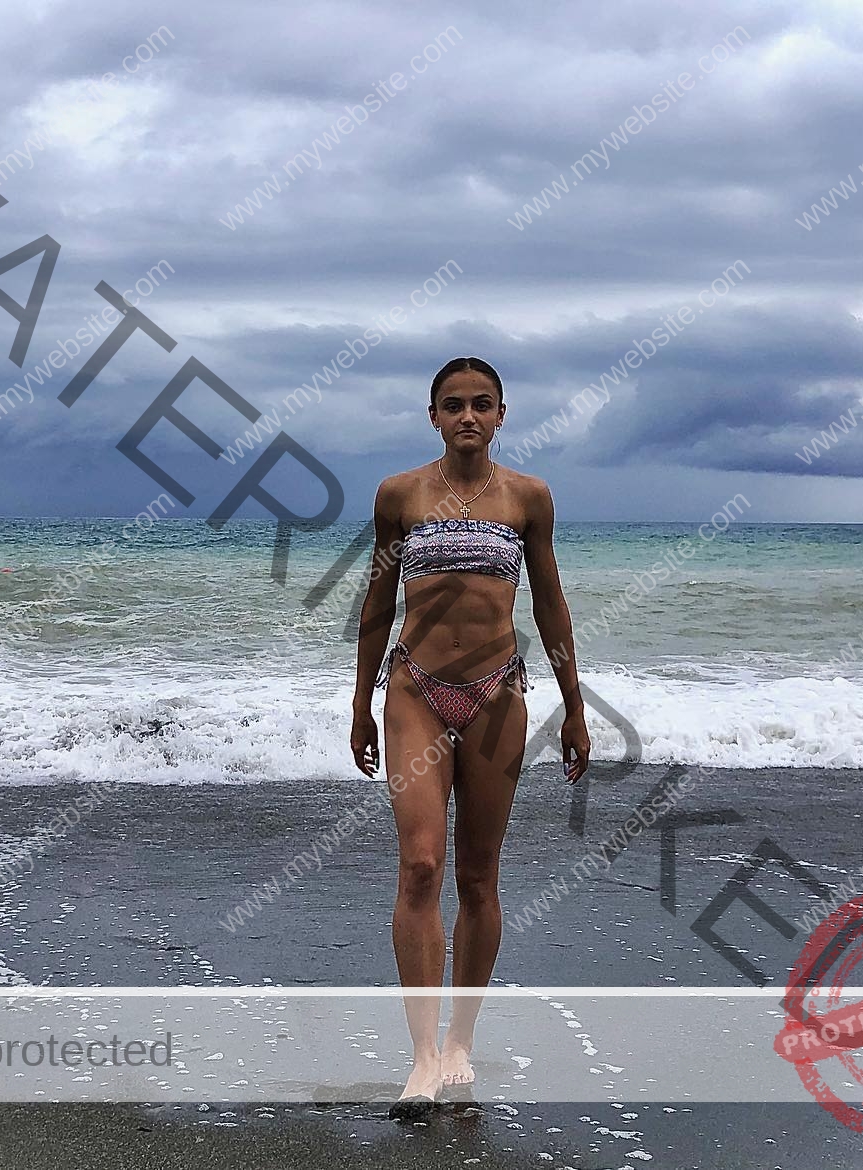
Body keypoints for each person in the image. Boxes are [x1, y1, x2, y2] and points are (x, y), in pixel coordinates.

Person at [350, 356, 591, 1119]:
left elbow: (550, 601)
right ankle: (421, 1059)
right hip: (416, 690)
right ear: (432, 415)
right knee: (421, 865)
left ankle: (459, 1043)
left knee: (478, 875)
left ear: (501, 413)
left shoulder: (528, 497)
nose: (468, 417)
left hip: (497, 696)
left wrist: (575, 706)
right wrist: (361, 701)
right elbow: (375, 603)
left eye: (481, 405)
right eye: (453, 405)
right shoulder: (399, 495)